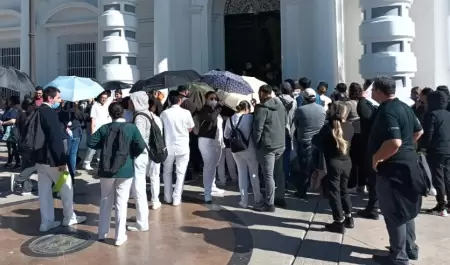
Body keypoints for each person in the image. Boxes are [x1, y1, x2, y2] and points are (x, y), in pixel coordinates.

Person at [369, 76, 423, 264]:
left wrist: (377, 157)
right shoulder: (405, 107)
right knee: (406, 210)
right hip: (408, 165)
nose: (371, 92)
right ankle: (410, 248)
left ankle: (398, 257)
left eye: (373, 89)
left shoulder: (388, 111)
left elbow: (395, 141)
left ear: (379, 91)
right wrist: (407, 148)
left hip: (393, 169)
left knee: (394, 212)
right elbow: (418, 131)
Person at [88, 102, 145, 246]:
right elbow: (141, 145)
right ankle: (119, 236)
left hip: (106, 170)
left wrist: (104, 145)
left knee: (105, 200)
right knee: (121, 203)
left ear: (110, 114)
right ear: (123, 113)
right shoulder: (131, 128)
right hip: (125, 169)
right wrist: (131, 154)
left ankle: (102, 232)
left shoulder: (105, 128)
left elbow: (90, 142)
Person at [33, 87, 86, 232]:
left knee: (44, 191)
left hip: (40, 158)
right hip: (53, 159)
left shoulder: (36, 110)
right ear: (50, 98)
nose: (60, 100)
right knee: (66, 185)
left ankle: (46, 222)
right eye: (57, 98)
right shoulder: (49, 112)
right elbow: (55, 138)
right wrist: (61, 160)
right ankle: (69, 217)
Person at [314, 102, 354, 233]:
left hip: (333, 162)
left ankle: (338, 220)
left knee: (334, 192)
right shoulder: (349, 126)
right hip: (346, 161)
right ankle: (349, 217)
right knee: (344, 190)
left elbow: (316, 141)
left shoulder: (328, 127)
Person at [253, 85, 286, 211]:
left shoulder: (262, 109)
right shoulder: (281, 105)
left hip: (267, 145)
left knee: (268, 175)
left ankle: (269, 203)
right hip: (280, 143)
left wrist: (256, 143)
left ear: (262, 93)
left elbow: (258, 128)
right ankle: (280, 198)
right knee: (279, 173)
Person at [224, 100, 261, 208]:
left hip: (236, 150)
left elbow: (226, 136)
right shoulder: (249, 117)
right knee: (254, 173)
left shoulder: (230, 119)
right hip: (249, 149)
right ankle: (257, 198)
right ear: (247, 109)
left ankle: (243, 201)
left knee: (241, 174)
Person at [160, 90, 195, 206]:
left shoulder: (164, 113)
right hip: (183, 145)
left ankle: (167, 196)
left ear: (169, 100)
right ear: (179, 100)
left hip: (168, 145)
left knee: (167, 171)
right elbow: (191, 128)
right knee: (181, 172)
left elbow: (161, 128)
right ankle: (177, 198)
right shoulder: (186, 113)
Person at [420, 90, 450, 216]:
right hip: (448, 149)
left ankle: (441, 204)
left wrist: (423, 147)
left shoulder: (432, 114)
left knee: (438, 178)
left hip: (436, 150)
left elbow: (429, 134)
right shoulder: (448, 114)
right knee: (448, 176)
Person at [293, 88, 326, 200]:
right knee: (319, 167)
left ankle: (302, 191)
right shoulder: (322, 109)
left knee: (304, 168)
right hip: (319, 143)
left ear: (304, 98)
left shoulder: (300, 110)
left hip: (305, 142)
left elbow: (296, 125)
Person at [127, 91, 151, 231]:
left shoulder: (140, 118)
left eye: (131, 101)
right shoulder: (145, 113)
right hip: (143, 155)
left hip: (139, 156)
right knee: (138, 188)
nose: (129, 103)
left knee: (139, 189)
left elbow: (139, 140)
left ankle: (142, 223)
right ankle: (141, 218)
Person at [356, 79, 380, 220]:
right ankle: (373, 206)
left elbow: (365, 116)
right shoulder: (377, 105)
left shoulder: (371, 105)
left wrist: (363, 99)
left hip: (372, 146)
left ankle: (374, 208)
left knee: (373, 179)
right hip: (374, 145)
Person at [197, 91, 224, 203]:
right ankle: (207, 193)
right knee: (208, 166)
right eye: (211, 98)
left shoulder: (218, 110)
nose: (213, 100)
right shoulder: (204, 110)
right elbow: (211, 118)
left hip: (217, 140)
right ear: (206, 99)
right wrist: (218, 108)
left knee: (214, 165)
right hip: (206, 140)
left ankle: (212, 186)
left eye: (215, 98)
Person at [59, 102, 86, 183]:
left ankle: (70, 175)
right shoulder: (65, 108)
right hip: (70, 133)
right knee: (69, 155)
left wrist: (76, 108)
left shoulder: (76, 109)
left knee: (71, 155)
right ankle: (70, 175)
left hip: (74, 133)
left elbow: (83, 118)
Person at [14, 97, 37, 195]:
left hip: (22, 142)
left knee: (25, 165)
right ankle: (19, 179)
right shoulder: (29, 116)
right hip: (28, 144)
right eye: (33, 105)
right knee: (36, 164)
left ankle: (26, 188)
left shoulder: (21, 115)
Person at [83, 91, 111, 170]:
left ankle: (100, 162)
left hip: (105, 129)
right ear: (99, 98)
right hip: (96, 129)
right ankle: (86, 163)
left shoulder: (107, 105)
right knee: (92, 148)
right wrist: (92, 131)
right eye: (102, 98)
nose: (104, 99)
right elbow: (93, 120)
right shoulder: (95, 106)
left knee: (102, 148)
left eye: (105, 98)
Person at [146, 95, 164, 209]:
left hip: (142, 150)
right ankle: (155, 200)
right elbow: (160, 135)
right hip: (154, 150)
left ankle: (140, 200)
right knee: (154, 176)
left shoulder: (137, 117)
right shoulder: (157, 119)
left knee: (140, 176)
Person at [278, 81, 297, 186]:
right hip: (289, 131)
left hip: (278, 130)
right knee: (287, 155)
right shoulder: (294, 102)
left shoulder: (277, 100)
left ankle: (279, 178)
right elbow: (294, 118)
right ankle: (286, 177)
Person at [347, 83, 363, 193]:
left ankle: (352, 184)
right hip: (362, 133)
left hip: (351, 133)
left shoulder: (348, 104)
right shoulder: (363, 103)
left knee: (352, 161)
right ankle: (362, 184)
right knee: (361, 161)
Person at [1, 95, 21, 168]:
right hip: (8, 132)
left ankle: (17, 162)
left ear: (12, 101)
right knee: (10, 147)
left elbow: (13, 121)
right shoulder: (9, 109)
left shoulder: (13, 110)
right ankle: (9, 162)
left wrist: (3, 123)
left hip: (12, 131)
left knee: (13, 147)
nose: (7, 101)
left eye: (9, 100)